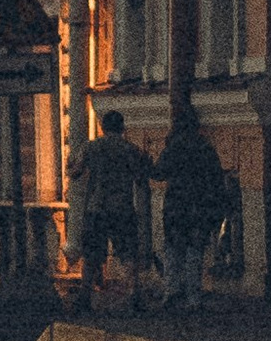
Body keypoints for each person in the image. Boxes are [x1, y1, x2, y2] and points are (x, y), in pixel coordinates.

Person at [152, 106, 232, 311]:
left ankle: (171, 291)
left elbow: (159, 173)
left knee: (172, 248)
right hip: (199, 205)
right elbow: (216, 177)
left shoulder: (173, 148)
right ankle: (193, 296)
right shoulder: (205, 147)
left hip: (176, 205)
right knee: (194, 249)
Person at [69, 111, 151, 308]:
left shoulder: (91, 147)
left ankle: (85, 296)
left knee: (91, 254)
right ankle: (134, 294)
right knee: (128, 253)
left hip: (96, 209)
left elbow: (75, 173)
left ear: (103, 127)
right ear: (122, 127)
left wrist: (71, 167)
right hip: (122, 207)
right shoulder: (130, 149)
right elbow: (140, 177)